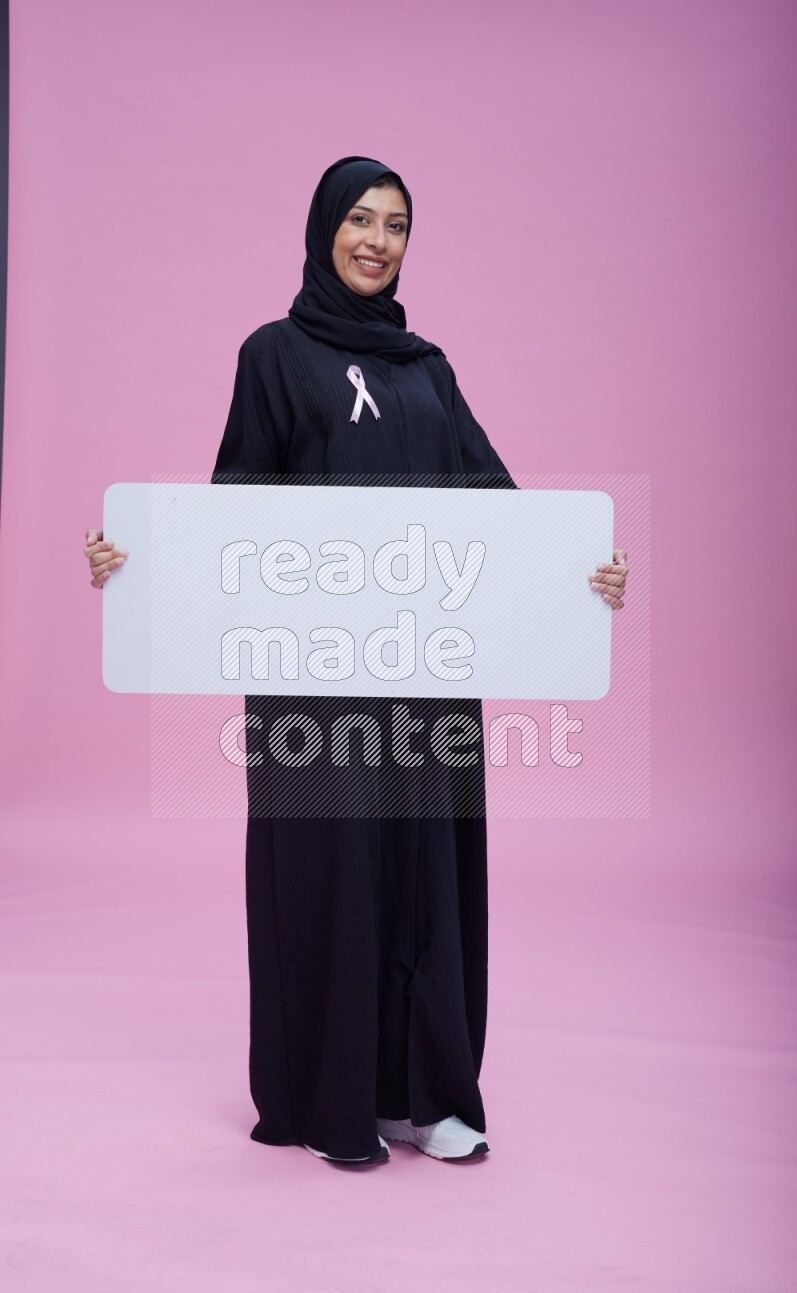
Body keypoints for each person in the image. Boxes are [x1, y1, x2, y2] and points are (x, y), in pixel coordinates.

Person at [84, 155, 629, 1167]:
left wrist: (576, 575)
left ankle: (431, 1094)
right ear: (322, 228)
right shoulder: (273, 354)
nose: (376, 241)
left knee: (426, 871)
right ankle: (335, 1099)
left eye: (396, 225)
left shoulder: (429, 370)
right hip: (312, 675)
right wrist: (134, 562)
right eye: (359, 220)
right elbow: (227, 512)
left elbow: (493, 504)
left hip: (424, 671)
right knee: (330, 871)